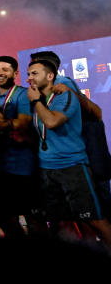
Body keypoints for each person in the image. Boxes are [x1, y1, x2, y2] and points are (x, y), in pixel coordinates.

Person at [27, 59, 111, 247]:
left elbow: (52, 122)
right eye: (28, 74)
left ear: (50, 76)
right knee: (62, 222)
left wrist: (37, 101)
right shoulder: (36, 101)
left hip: (72, 167)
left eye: (34, 73)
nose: (29, 78)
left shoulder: (64, 97)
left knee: (95, 219)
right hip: (47, 170)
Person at [0, 56, 40, 236]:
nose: (0, 73)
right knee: (6, 218)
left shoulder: (23, 94)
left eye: (5, 69)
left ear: (15, 73)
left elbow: (23, 124)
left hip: (23, 166)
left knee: (33, 217)